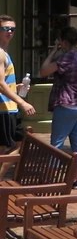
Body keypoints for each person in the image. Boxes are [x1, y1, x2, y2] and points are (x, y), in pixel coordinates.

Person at [39, 26, 77, 187]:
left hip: (67, 104)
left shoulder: (66, 58)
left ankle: (51, 178)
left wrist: (54, 51)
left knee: (57, 142)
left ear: (63, 41)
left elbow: (43, 71)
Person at [0, 15, 34, 152]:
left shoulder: (5, 52)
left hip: (10, 108)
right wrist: (23, 103)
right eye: (5, 28)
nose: (10, 32)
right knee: (4, 149)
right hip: (3, 109)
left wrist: (16, 87)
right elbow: (0, 84)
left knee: (21, 144)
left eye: (12, 29)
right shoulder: (0, 53)